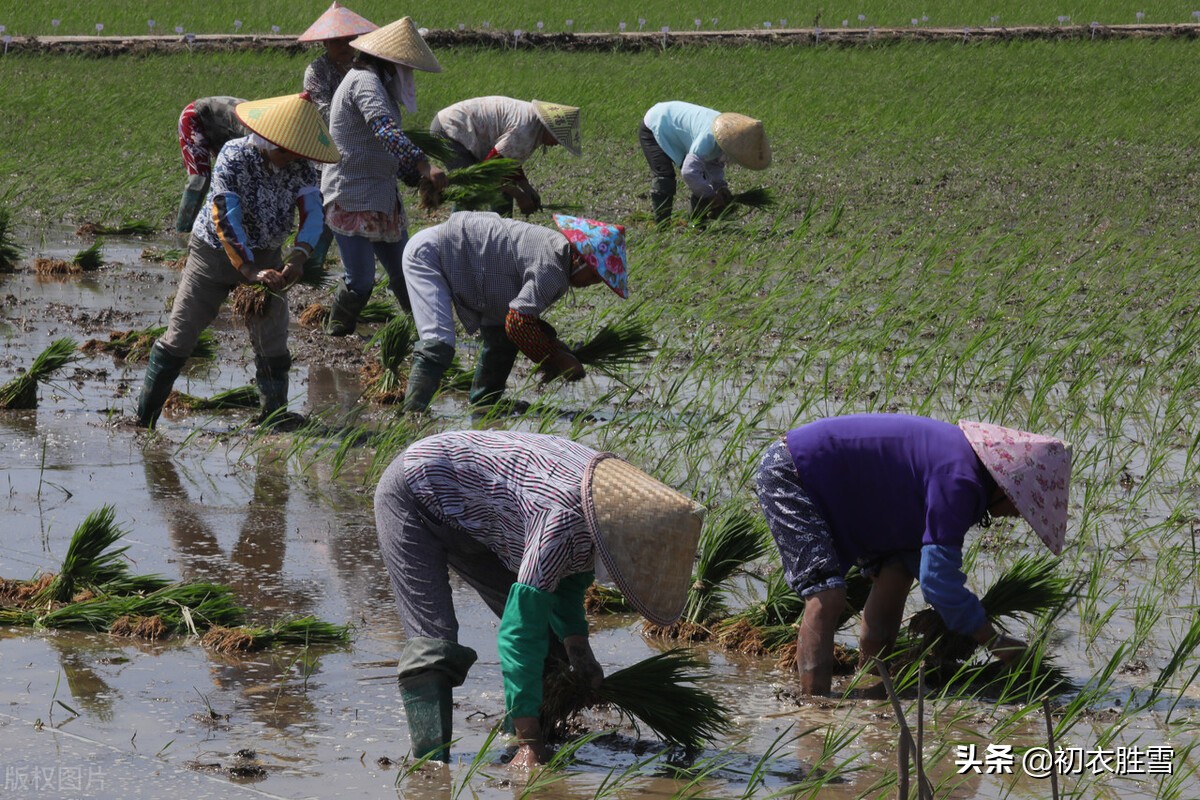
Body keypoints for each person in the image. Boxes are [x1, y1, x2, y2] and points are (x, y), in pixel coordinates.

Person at [374, 430, 705, 766]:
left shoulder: (611, 513)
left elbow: (569, 580)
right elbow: (518, 635)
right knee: (435, 639)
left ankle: (512, 731)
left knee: (550, 644)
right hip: (414, 494)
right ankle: (430, 763)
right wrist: (531, 744)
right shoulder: (564, 521)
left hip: (477, 513)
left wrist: (580, 651)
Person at [754, 414, 1071, 695]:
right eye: (1021, 509)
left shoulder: (965, 469)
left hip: (854, 490)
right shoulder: (960, 479)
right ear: (1007, 487)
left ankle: (873, 682)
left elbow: (927, 567)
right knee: (827, 595)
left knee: (898, 570)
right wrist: (993, 640)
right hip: (792, 470)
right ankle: (814, 705)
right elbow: (937, 582)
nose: (1014, 517)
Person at [136, 94, 339, 429]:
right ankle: (144, 420)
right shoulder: (235, 155)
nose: (292, 158)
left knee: (272, 338)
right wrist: (246, 269)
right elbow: (225, 216)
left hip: (268, 256)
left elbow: (313, 213)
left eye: (297, 151)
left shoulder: (301, 166)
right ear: (268, 139)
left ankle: (273, 417)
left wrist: (299, 256)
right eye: (285, 150)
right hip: (213, 255)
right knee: (181, 335)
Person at [399, 211, 628, 412]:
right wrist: (557, 359)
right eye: (595, 275)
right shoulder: (553, 268)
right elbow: (519, 322)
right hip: (430, 257)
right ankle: (411, 414)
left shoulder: (556, 252)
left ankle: (484, 405)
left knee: (501, 337)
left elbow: (514, 322)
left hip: (461, 258)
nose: (593, 283)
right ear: (579, 257)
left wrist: (556, 349)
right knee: (438, 343)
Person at [321, 16, 448, 336]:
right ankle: (334, 335)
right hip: (350, 193)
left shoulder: (379, 86)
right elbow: (384, 130)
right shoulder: (364, 81)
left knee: (407, 272)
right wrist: (423, 165)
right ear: (388, 62)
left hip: (380, 194)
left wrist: (417, 178)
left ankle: (427, 336)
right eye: (403, 66)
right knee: (361, 281)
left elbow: (385, 147)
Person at [430, 96, 582, 215]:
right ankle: (456, 234)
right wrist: (519, 195)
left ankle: (500, 229)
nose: (558, 144)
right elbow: (488, 171)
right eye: (559, 139)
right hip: (450, 129)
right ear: (549, 128)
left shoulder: (533, 125)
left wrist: (526, 188)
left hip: (457, 127)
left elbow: (507, 163)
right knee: (471, 188)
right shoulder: (525, 131)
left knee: (502, 186)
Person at [640, 100, 771, 226]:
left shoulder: (725, 137)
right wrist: (710, 196)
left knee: (701, 180)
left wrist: (720, 187)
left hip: (674, 128)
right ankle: (662, 225)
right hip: (656, 124)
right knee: (665, 176)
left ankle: (696, 223)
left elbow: (714, 164)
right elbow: (689, 172)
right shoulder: (709, 138)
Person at [174, 96, 247, 233]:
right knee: (200, 178)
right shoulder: (258, 134)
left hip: (225, 130)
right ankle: (183, 230)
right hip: (195, 117)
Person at [299, 2, 378, 125]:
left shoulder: (364, 66)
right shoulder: (317, 71)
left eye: (348, 40)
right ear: (326, 43)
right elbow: (325, 114)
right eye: (336, 41)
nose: (343, 46)